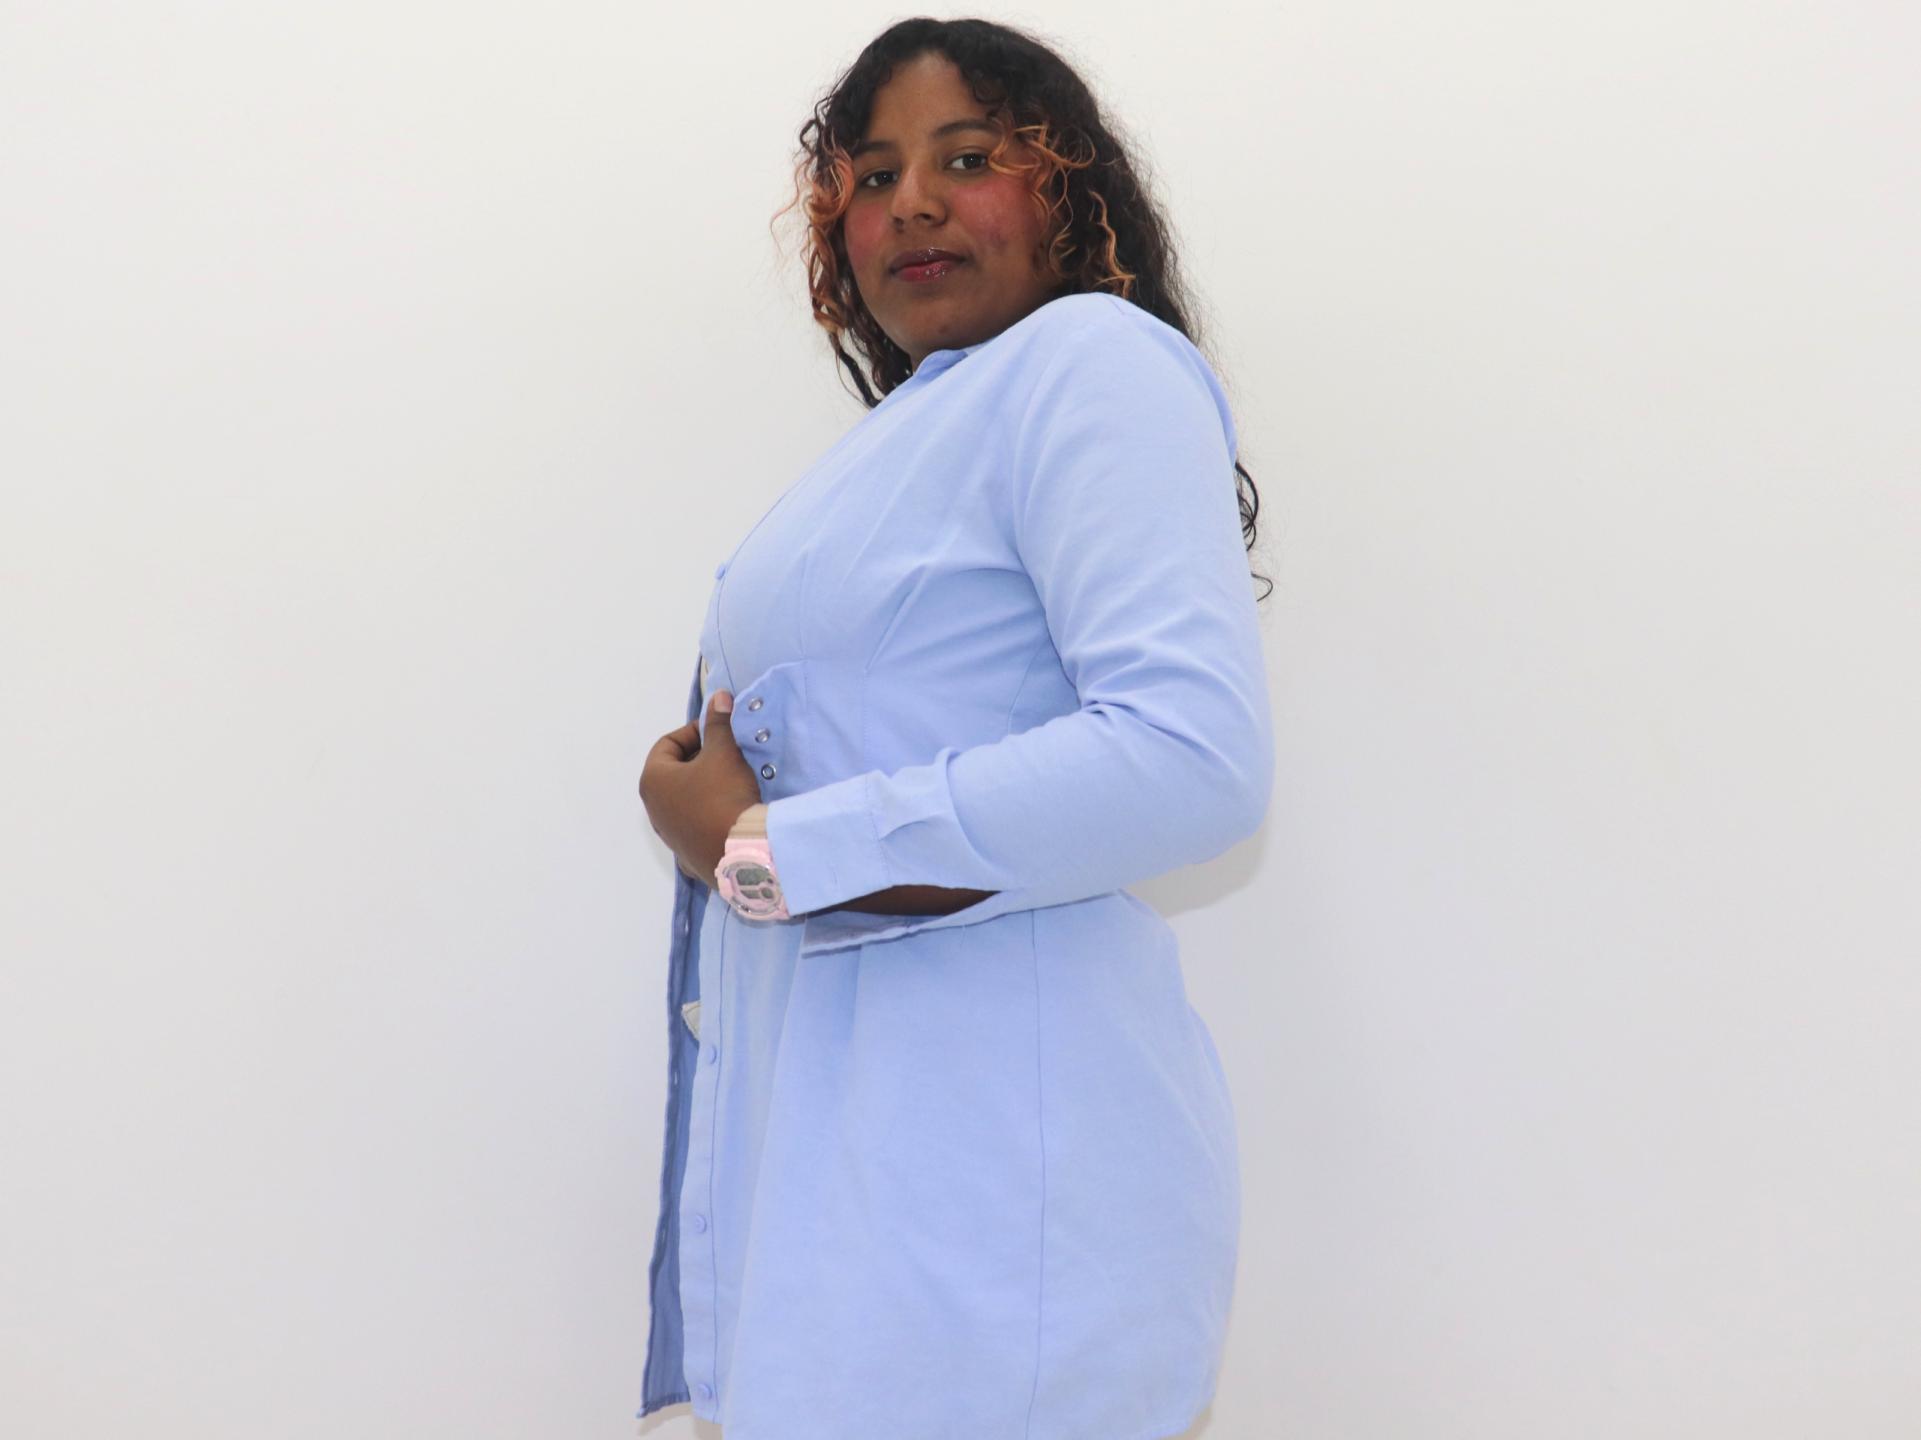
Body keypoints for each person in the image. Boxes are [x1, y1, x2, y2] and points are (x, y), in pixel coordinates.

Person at [635, 19, 1274, 1440]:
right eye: (872, 177)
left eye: (968, 159)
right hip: (865, 1207)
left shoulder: (1088, 362)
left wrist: (759, 848)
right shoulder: (910, 437)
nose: (912, 202)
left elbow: (1190, 759)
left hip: (989, 1217)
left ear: (1067, 192)